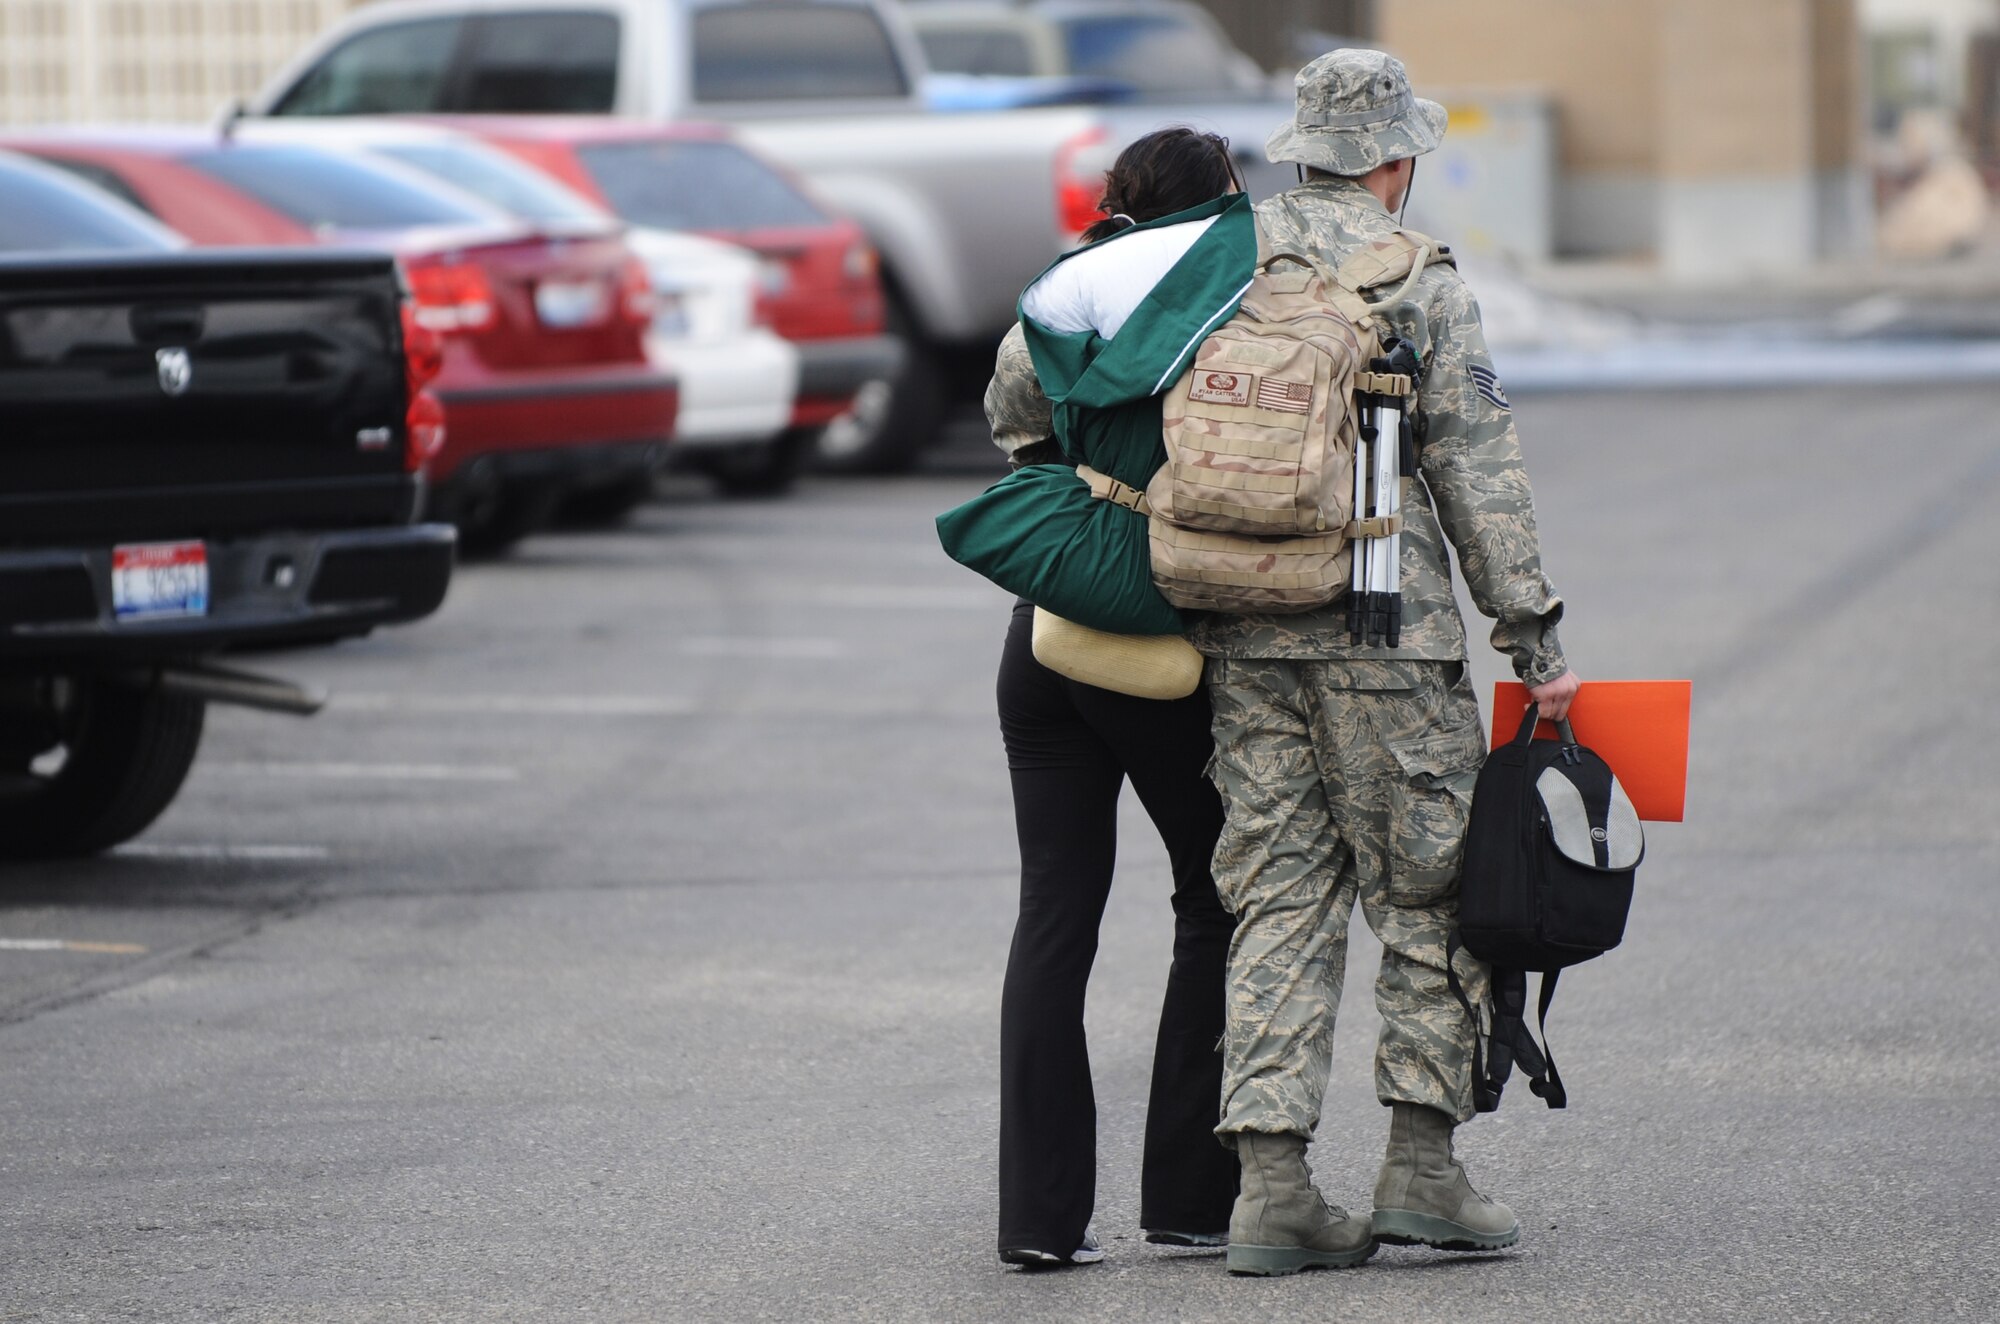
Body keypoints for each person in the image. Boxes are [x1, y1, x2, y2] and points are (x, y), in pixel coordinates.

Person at [1192, 49, 1581, 1277]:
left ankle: (1269, 1190)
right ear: (1394, 159)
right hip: (1383, 633)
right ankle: (1420, 1169)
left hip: (1242, 628)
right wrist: (1535, 639)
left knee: (1276, 897)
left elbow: (1027, 383)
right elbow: (1476, 467)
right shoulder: (1413, 275)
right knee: (1424, 895)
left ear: (1304, 148)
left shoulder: (1211, 258)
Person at [987, 128, 1245, 1270]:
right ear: (1223, 197)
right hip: (1159, 633)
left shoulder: (1061, 288)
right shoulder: (1238, 284)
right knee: (1217, 895)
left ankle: (1036, 1222)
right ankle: (1190, 1196)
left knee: (1054, 916)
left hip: (1044, 633)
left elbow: (1013, 428)